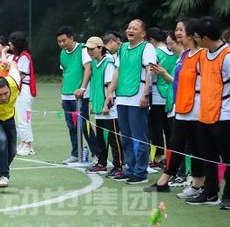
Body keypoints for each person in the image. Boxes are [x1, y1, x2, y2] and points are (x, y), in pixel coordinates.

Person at [144, 19, 205, 196]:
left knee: (195, 146)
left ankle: (199, 184)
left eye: (180, 30)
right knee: (176, 143)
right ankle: (166, 180)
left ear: (191, 33)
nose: (176, 33)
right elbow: (178, 82)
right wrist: (164, 74)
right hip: (181, 106)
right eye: (176, 30)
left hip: (195, 107)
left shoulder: (201, 55)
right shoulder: (184, 55)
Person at [186, 16, 230, 209]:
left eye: (196, 37)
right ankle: (210, 193)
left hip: (226, 116)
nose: (195, 40)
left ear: (206, 37)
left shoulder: (229, 56)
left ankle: (229, 196)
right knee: (207, 157)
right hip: (205, 115)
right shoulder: (203, 54)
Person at [106, 19, 156, 184]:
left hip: (137, 96)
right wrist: (110, 92)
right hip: (122, 97)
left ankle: (140, 172)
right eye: (129, 27)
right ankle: (130, 168)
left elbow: (150, 71)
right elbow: (118, 71)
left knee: (139, 137)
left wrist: (146, 94)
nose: (130, 30)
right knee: (125, 137)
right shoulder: (123, 49)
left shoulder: (146, 47)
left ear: (143, 33)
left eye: (135, 28)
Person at [85, 37, 124, 177]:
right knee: (101, 138)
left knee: (114, 138)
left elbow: (110, 87)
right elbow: (95, 86)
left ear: (100, 48)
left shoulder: (108, 63)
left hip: (109, 108)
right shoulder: (95, 64)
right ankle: (102, 163)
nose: (89, 51)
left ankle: (119, 165)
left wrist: (107, 105)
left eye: (92, 48)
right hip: (99, 107)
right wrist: (92, 103)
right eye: (88, 49)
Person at [56, 26, 96, 163]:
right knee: (71, 126)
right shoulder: (62, 53)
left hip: (80, 95)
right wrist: (62, 95)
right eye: (59, 41)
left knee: (84, 126)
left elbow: (88, 70)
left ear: (71, 38)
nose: (62, 44)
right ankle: (76, 153)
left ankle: (97, 155)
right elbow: (65, 74)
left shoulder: (83, 50)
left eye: (64, 40)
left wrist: (83, 89)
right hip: (67, 95)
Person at [148, 27, 178, 170]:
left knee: (156, 129)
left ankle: (157, 158)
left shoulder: (155, 52)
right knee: (170, 129)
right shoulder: (175, 53)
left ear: (152, 40)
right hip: (170, 93)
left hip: (156, 93)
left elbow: (151, 74)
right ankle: (171, 158)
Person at [9, 31, 37, 156]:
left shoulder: (24, 56)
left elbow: (21, 74)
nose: (9, 45)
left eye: (11, 42)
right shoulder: (17, 57)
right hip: (18, 90)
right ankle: (23, 141)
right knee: (18, 118)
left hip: (24, 89)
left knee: (23, 118)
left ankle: (28, 144)